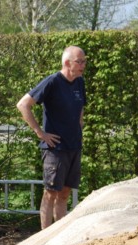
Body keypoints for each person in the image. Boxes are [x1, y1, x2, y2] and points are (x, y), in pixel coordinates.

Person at [17, 46, 87, 229]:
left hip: (74, 146)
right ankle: (44, 238)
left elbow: (80, 110)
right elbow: (23, 105)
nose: (83, 65)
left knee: (64, 194)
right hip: (55, 149)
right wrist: (40, 133)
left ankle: (59, 237)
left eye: (84, 61)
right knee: (50, 193)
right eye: (79, 62)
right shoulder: (52, 82)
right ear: (67, 63)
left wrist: (79, 130)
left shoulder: (80, 82)